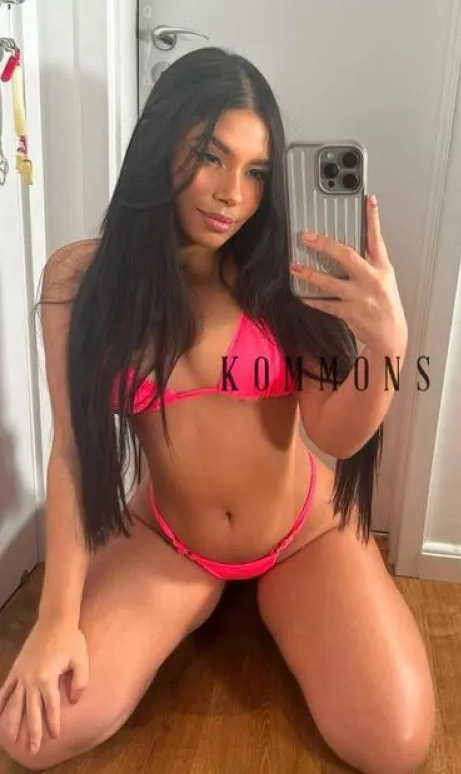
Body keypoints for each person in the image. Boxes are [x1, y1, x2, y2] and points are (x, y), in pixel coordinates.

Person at [0, 47, 435, 774]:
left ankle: (273, 597)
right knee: (29, 738)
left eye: (257, 172)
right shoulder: (82, 282)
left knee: (393, 746)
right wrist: (54, 618)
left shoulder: (282, 276)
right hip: (170, 541)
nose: (234, 193)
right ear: (159, 147)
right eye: (210, 156)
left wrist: (387, 344)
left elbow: (334, 432)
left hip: (302, 534)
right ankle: (209, 597)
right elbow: (73, 450)